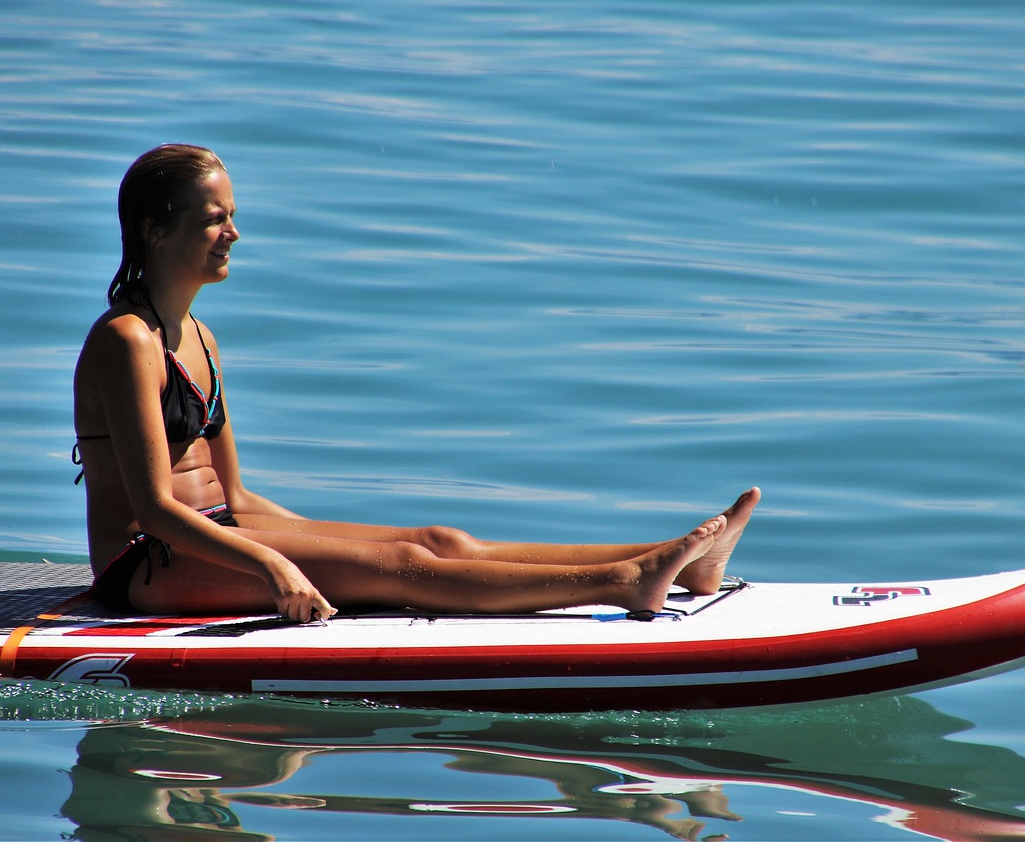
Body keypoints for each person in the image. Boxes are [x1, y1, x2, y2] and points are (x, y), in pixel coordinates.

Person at [73, 143, 761, 622]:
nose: (235, 233)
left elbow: (238, 494)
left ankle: (670, 560)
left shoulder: (201, 336)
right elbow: (157, 510)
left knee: (437, 540)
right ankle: (625, 582)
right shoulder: (125, 340)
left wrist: (331, 546)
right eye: (214, 218)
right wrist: (275, 568)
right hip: (147, 564)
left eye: (231, 215)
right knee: (401, 565)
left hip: (220, 527)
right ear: (157, 232)